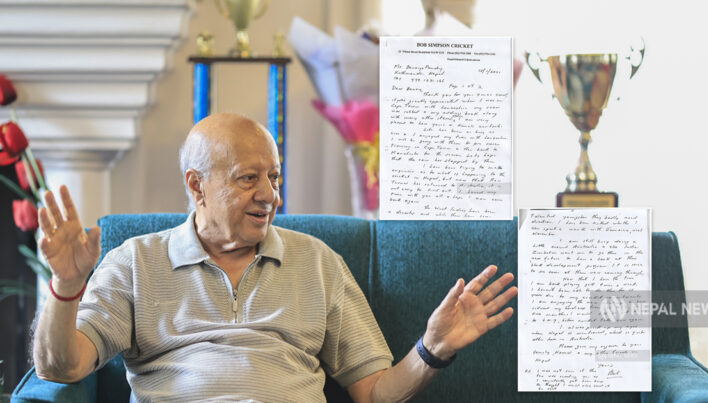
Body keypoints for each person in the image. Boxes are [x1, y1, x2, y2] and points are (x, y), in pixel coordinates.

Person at [32, 113, 518, 402]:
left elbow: (374, 393)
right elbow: (61, 368)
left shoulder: (318, 262)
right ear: (197, 186)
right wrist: (67, 287)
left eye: (275, 177)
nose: (270, 195)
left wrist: (432, 349)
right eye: (249, 178)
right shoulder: (134, 262)